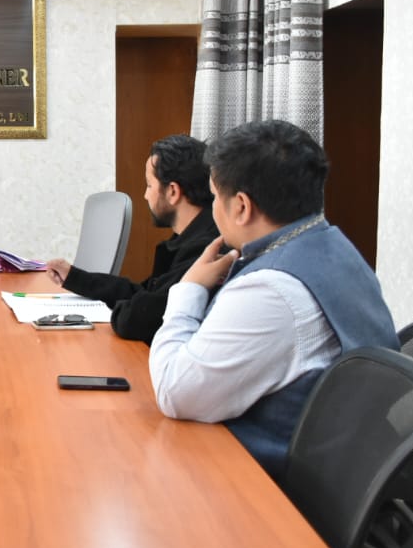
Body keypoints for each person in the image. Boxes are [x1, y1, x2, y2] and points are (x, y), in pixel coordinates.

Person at [149, 119, 398, 478]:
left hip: (276, 490)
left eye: (215, 196)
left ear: (242, 207)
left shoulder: (271, 290)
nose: (212, 208)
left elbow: (176, 391)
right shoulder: (334, 245)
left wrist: (188, 289)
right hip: (353, 464)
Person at [45, 134, 218, 343]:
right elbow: (144, 292)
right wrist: (75, 277)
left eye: (149, 185)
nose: (146, 196)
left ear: (173, 191)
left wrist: (123, 310)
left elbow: (139, 318)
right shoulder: (193, 235)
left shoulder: (205, 247)